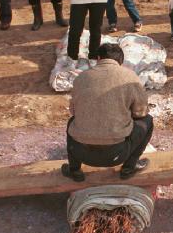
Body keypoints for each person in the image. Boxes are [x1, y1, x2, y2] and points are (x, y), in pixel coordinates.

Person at [62, 43, 153, 182]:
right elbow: (140, 112)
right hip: (117, 154)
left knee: (71, 123)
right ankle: (129, 168)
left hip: (80, 151)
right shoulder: (130, 77)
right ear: (120, 62)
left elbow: (73, 112)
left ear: (98, 58)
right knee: (148, 121)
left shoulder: (81, 78)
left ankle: (75, 171)